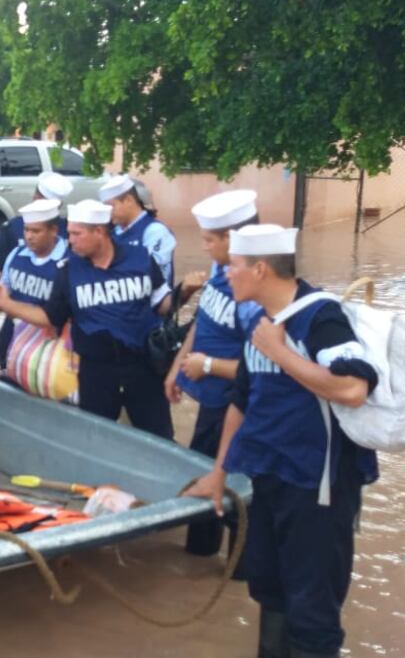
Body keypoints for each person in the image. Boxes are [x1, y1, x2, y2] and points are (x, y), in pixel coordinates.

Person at [184, 224, 377, 658]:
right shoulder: (259, 320)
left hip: (316, 487)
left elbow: (353, 389)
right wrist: (219, 474)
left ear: (260, 268)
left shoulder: (320, 316)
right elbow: (242, 402)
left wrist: (281, 353)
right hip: (268, 478)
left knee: (313, 612)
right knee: (269, 591)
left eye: (233, 265)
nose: (225, 273)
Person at [0, 199, 175, 438]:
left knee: (158, 436)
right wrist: (7, 305)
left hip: (142, 367)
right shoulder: (68, 269)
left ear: (99, 231)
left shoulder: (140, 258)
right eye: (69, 233)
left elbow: (163, 304)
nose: (70, 241)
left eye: (77, 234)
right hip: (95, 371)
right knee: (94, 437)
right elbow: (51, 317)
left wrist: (187, 295)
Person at [165, 190, 260, 560]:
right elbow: (202, 323)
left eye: (209, 240)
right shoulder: (224, 270)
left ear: (232, 239)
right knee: (202, 472)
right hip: (212, 400)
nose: (204, 248)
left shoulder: (254, 290)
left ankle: (240, 571)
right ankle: (199, 555)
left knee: (238, 490)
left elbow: (266, 370)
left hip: (241, 410)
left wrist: (206, 366)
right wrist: (177, 368)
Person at [0, 172, 74, 379]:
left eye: (36, 231)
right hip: (14, 340)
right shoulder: (17, 254)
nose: (29, 236)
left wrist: (6, 305)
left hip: (53, 349)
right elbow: (1, 288)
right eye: (27, 231)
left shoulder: (69, 260)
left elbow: (57, 315)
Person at [98, 175, 177, 286]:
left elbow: (150, 273)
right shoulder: (113, 233)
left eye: (111, 206)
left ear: (129, 200)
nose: (107, 212)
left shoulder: (155, 231)